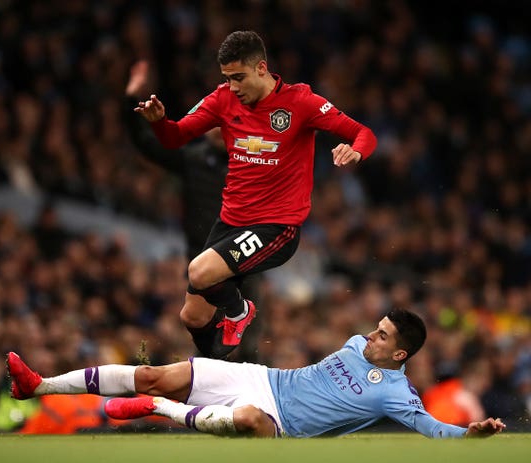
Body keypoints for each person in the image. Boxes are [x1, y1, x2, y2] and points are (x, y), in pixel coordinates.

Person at [132, 31, 377, 358]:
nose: (232, 86)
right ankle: (216, 366)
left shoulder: (301, 102)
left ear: (261, 68)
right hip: (230, 222)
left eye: (238, 77)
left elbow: (363, 133)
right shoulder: (222, 99)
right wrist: (160, 122)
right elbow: (175, 137)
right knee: (192, 315)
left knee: (198, 272)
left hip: (276, 227)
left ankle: (238, 312)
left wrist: (356, 152)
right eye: (227, 78)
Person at [6, 308, 505, 438]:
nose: (369, 336)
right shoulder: (355, 344)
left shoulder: (397, 394)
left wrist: (470, 433)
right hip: (264, 378)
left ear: (400, 356)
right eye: (375, 329)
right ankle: (40, 385)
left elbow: (430, 428)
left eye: (382, 337)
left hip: (279, 425)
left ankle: (159, 412)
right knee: (156, 373)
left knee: (247, 421)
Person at [124, 60, 262, 361]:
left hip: (242, 258)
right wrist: (132, 100)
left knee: (245, 335)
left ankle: (246, 382)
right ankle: (205, 379)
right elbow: (146, 143)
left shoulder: (255, 162)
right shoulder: (193, 159)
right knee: (201, 327)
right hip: (201, 257)